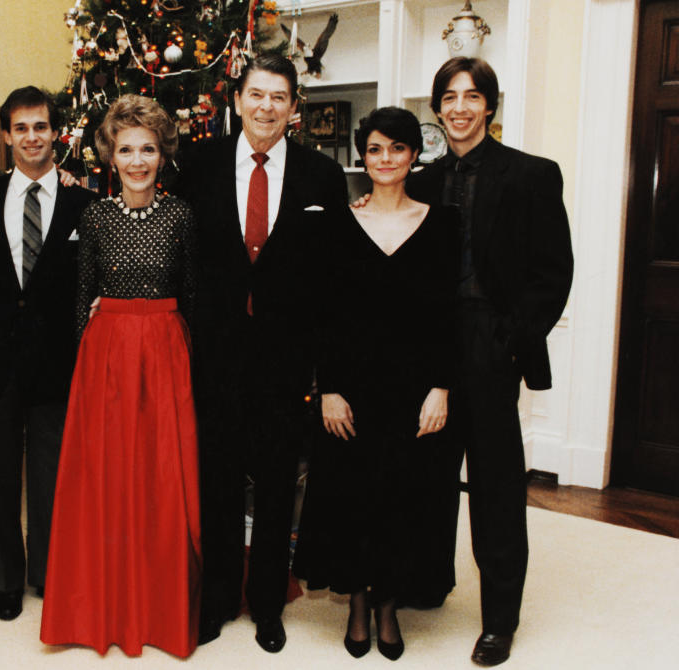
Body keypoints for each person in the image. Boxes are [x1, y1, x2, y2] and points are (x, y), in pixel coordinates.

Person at [176, 54, 348, 653]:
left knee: (278, 485)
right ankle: (221, 598)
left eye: (279, 97)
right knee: (218, 479)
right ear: (237, 99)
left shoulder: (322, 177)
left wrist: (324, 368)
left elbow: (330, 279)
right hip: (215, 355)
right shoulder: (195, 165)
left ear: (294, 108)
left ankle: (269, 603)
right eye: (257, 94)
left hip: (285, 361)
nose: (266, 106)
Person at [404, 58, 573, 666]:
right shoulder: (419, 182)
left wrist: (510, 340)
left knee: (497, 488)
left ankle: (499, 620)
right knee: (427, 473)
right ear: (437, 107)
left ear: (490, 106)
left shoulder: (531, 175)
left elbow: (553, 275)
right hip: (430, 348)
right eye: (448, 97)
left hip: (492, 345)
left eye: (472, 97)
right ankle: (427, 584)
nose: (459, 108)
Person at [292, 107, 458, 661]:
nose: (385, 160)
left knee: (403, 500)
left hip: (413, 394)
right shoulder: (335, 224)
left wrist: (441, 386)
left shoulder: (444, 223)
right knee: (351, 499)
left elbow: (447, 317)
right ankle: (358, 603)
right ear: (362, 158)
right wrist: (329, 389)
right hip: (352, 391)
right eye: (376, 150)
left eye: (397, 149)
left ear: (414, 156)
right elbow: (322, 314)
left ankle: (389, 606)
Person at [40, 94, 200, 658]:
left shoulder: (181, 215)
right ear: (110, 155)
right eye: (127, 149)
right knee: (105, 477)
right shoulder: (95, 216)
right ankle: (102, 607)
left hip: (164, 352)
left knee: (161, 477)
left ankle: (159, 609)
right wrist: (90, 368)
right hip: (105, 355)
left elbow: (195, 299)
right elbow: (84, 299)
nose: (137, 161)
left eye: (148, 150)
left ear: (163, 156)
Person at [0, 86, 96, 621]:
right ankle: (8, 580)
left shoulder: (84, 203)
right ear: (6, 135)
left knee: (50, 474)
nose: (31, 137)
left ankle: (46, 570)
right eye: (21, 128)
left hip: (57, 362)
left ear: (55, 132)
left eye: (40, 126)